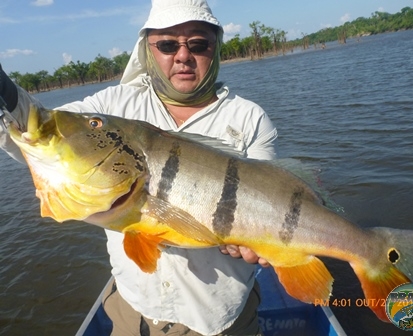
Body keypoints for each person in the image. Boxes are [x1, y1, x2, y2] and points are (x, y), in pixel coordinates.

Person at [0, 0, 278, 334]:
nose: (183, 56)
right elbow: (41, 128)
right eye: (167, 44)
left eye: (199, 44)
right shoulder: (113, 106)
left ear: (215, 48)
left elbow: (271, 201)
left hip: (220, 318)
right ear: (148, 49)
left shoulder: (249, 118)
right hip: (133, 313)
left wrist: (259, 242)